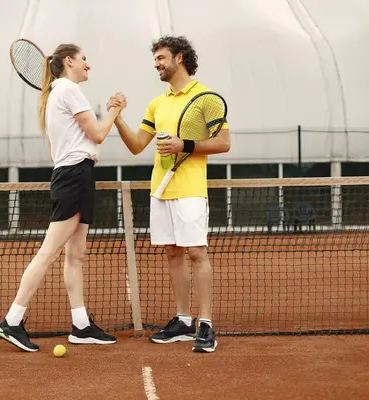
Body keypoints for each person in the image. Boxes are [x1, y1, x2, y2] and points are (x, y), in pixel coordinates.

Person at [0, 43, 124, 352]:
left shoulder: (55, 94)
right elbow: (98, 134)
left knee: (75, 254)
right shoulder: (68, 89)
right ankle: (12, 320)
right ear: (69, 61)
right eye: (84, 59)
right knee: (48, 252)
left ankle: (80, 326)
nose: (87, 65)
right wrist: (114, 112)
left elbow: (59, 149)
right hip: (75, 176)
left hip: (74, 175)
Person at [108, 36, 230, 353]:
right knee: (173, 254)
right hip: (160, 190)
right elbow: (137, 146)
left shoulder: (207, 98)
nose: (157, 64)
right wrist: (117, 118)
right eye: (155, 60)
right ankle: (183, 320)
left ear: (179, 57)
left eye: (161, 58)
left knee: (196, 254)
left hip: (190, 189)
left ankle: (206, 325)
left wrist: (184, 145)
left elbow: (224, 143)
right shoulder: (157, 104)